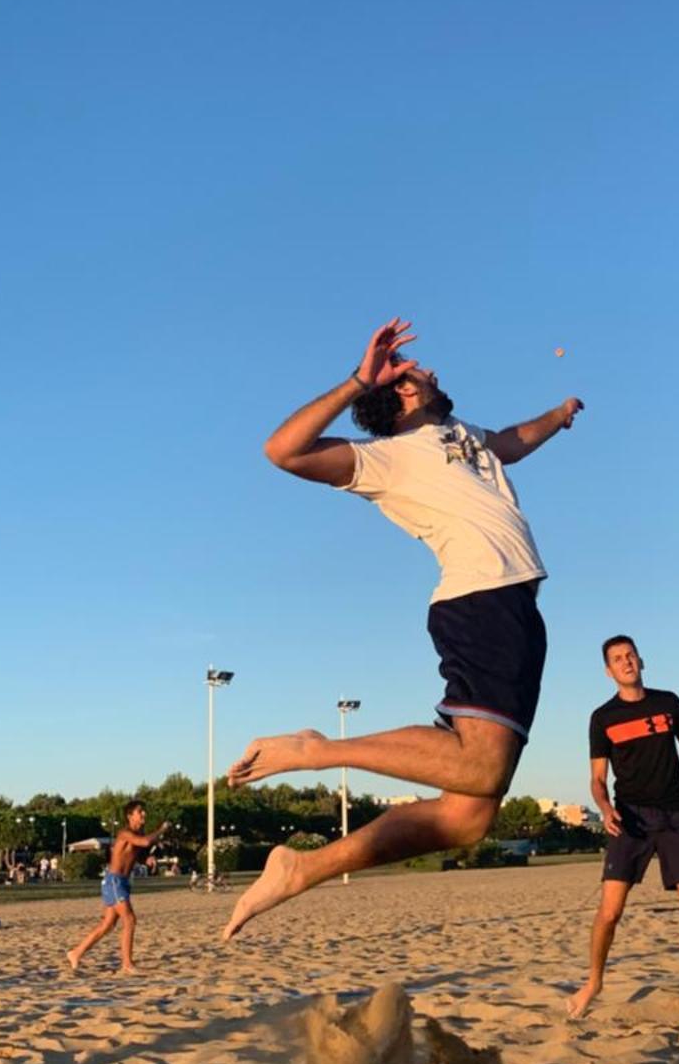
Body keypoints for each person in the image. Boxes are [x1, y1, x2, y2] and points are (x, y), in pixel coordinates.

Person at [220, 318, 582, 938]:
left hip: (516, 608)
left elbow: (514, 442)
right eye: (422, 373)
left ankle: (302, 870)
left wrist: (560, 412)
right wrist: (361, 381)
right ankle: (317, 750)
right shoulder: (385, 459)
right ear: (404, 393)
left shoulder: (463, 435)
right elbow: (282, 451)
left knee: (468, 817)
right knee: (481, 771)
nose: (435, 372)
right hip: (480, 600)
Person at [566, 636, 679, 1019]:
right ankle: (594, 983)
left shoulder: (668, 703)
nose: (626, 662)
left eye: (630, 655)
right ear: (609, 670)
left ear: (641, 660)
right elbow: (598, 780)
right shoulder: (602, 718)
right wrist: (604, 808)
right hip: (630, 820)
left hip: (676, 818)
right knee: (610, 911)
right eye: (618, 659)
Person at [65, 802, 167, 974]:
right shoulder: (125, 833)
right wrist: (162, 829)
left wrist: (147, 859)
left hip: (121, 882)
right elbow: (145, 841)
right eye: (139, 812)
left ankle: (76, 953)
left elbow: (139, 852)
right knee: (130, 920)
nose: (143, 814)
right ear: (130, 816)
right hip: (114, 881)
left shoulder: (137, 834)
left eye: (143, 811)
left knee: (108, 924)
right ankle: (127, 964)